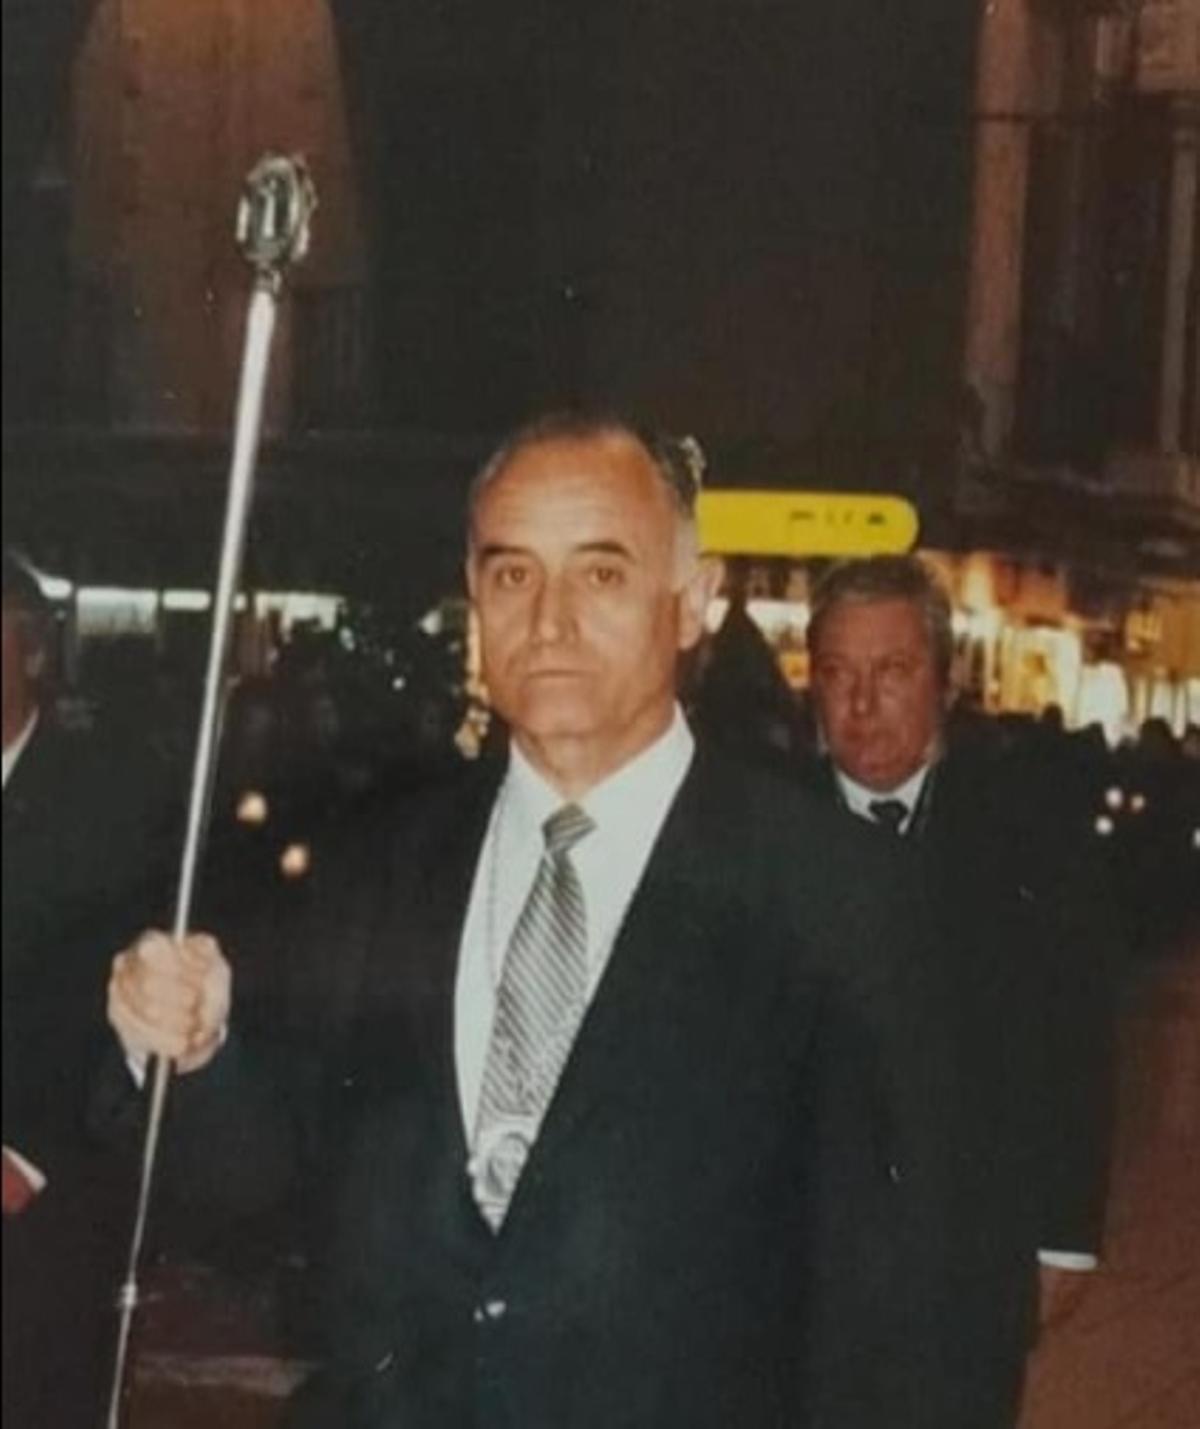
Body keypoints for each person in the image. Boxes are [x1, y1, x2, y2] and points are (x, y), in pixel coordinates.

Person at [107, 415, 975, 1429]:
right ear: (474, 595)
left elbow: (908, 1299)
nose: (549, 620)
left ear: (694, 599)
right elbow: (260, 1191)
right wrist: (194, 1050)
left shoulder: (833, 895)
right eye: (513, 575)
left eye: (601, 574)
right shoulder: (380, 862)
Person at [801, 554, 1119, 1424]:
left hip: (969, 1262)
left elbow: (1075, 1034)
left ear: (944, 682)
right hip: (802, 1274)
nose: (862, 703)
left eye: (893, 671)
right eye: (839, 674)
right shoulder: (762, 831)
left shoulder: (1025, 833)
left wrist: (1066, 1235)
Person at [2, 550, 169, 1425]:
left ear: (32, 652)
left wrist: (24, 1154)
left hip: (35, 1192)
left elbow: (102, 1001)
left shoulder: (104, 800)